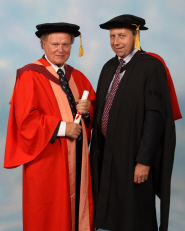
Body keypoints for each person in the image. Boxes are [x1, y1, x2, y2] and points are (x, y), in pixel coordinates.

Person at [90, 14, 182, 231]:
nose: (116, 42)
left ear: (136, 36)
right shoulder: (108, 66)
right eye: (112, 36)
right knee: (115, 211)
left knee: (135, 213)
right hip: (109, 153)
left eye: (122, 35)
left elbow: (155, 116)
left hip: (134, 154)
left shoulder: (150, 66)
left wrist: (144, 160)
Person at [4, 22, 95, 231]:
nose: (60, 50)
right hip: (47, 158)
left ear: (72, 46)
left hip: (77, 160)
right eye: (55, 44)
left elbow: (92, 114)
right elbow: (24, 120)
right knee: (47, 211)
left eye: (66, 44)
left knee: (75, 207)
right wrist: (63, 128)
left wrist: (88, 111)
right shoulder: (29, 75)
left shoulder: (77, 77)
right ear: (43, 45)